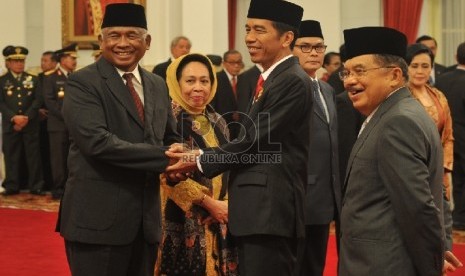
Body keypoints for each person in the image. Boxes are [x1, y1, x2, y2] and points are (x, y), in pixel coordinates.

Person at [166, 1, 312, 275]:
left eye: (259, 30)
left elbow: (254, 141)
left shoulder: (291, 80)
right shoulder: (271, 79)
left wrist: (197, 159)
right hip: (256, 214)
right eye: (247, 29)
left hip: (269, 214)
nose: (249, 38)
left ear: (287, 37)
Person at [57, 3, 183, 276]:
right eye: (114, 35)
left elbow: (169, 135)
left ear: (147, 42)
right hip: (97, 223)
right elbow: (98, 143)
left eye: (132, 35)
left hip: (146, 223)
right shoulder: (83, 82)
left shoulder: (157, 84)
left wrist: (179, 162)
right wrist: (167, 158)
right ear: (101, 41)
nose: (122, 43)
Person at [339, 27, 444, 275]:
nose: (349, 80)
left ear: (394, 76)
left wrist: (432, 264)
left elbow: (417, 207)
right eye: (347, 72)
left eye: (360, 71)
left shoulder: (398, 122)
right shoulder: (393, 113)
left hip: (383, 265)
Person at [157, 53, 239, 276]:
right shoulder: (166, 120)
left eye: (205, 81)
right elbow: (166, 174)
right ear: (176, 82)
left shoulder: (219, 121)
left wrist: (227, 204)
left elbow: (231, 164)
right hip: (182, 219)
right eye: (190, 80)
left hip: (220, 218)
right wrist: (208, 203)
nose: (198, 88)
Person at [406, 43, 462, 275]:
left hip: (438, 170)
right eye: (415, 65)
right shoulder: (400, 96)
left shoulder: (438, 95)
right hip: (412, 169)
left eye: (425, 66)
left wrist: (446, 170)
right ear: (405, 67)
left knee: (443, 222)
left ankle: (442, 264)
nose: (420, 71)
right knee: (419, 222)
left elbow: (448, 136)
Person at [291, 20, 340, 276]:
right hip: (298, 193)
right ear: (291, 49)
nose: (314, 52)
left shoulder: (327, 89)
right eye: (306, 46)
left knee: (315, 265)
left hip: (325, 194)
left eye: (319, 47)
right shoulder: (287, 87)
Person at [0, 45, 45, 196]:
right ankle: (12, 185)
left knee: (33, 157)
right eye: (15, 61)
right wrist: (14, 118)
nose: (19, 64)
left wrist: (26, 117)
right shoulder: (2, 80)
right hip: (10, 125)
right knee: (11, 155)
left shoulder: (33, 79)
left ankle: (36, 185)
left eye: (22, 61)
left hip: (30, 124)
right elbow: (1, 103)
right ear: (8, 62)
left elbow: (38, 100)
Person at [43, 43, 78, 200]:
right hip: (58, 125)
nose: (74, 61)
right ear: (63, 59)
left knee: (72, 158)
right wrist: (67, 115)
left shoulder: (77, 77)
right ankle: (58, 188)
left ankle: (71, 187)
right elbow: (50, 101)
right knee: (58, 159)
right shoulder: (51, 77)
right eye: (72, 58)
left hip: (74, 126)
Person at [436, 42, 465, 232]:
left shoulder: (442, 79)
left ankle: (456, 216)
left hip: (444, 133)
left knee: (448, 176)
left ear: (456, 57)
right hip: (463, 133)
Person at [210, 50, 244, 140]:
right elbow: (212, 106)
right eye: (232, 62)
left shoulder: (245, 78)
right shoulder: (216, 79)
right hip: (222, 126)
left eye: (239, 62)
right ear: (224, 63)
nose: (236, 65)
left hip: (241, 128)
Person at [37, 51, 57, 190]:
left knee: (55, 154)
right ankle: (43, 182)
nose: (43, 63)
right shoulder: (37, 78)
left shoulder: (57, 77)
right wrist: (37, 110)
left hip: (55, 119)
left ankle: (53, 182)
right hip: (38, 121)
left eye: (46, 60)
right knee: (42, 152)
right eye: (42, 60)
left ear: (55, 63)